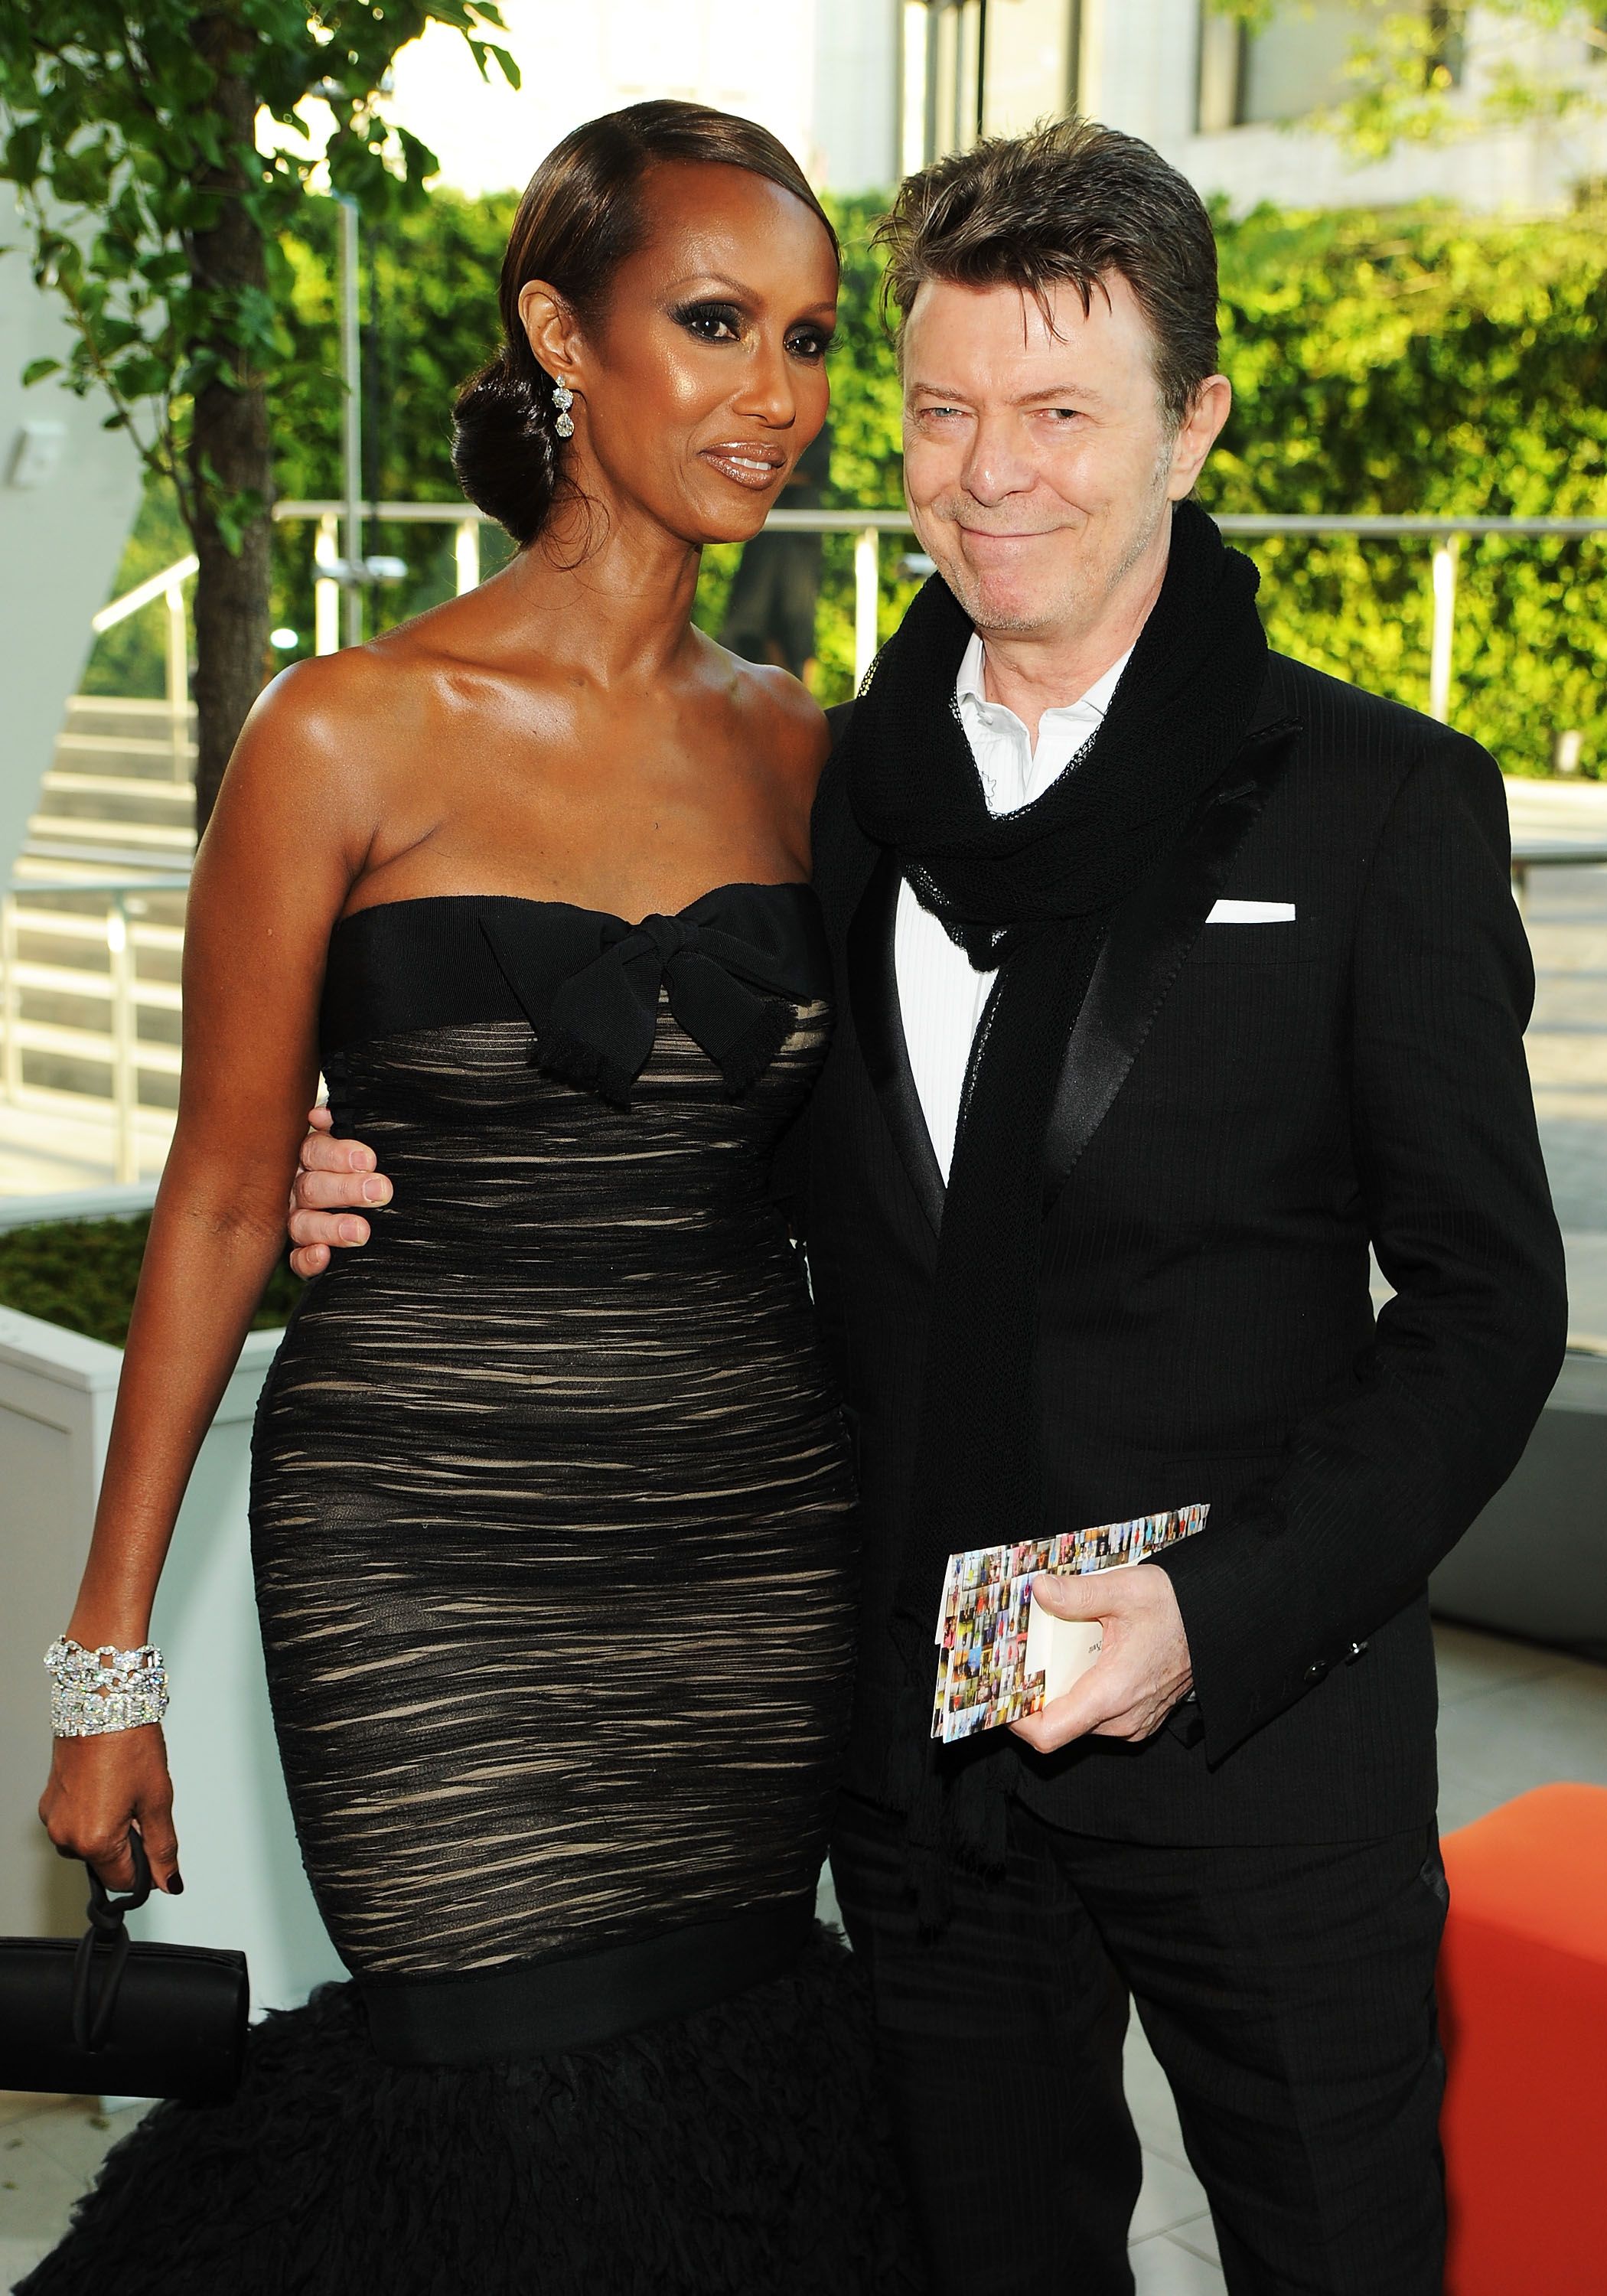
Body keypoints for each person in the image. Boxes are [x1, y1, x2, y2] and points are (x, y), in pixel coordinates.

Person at [293, 120, 1570, 2296]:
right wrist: (406, 1160)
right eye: (945, 409)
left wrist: (1209, 1616)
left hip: (1252, 1746)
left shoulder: (1375, 804)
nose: (994, 474)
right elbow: (742, 1144)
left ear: (1193, 424)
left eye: (1062, 412)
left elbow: (1477, 1311)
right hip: (916, 1748)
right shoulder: (838, 791)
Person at [28, 100, 924, 2296]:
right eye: (712, 323)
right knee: (487, 2086)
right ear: (560, 334)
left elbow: (883, 1176)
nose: (774, 396)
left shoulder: (810, 756)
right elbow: (225, 1202)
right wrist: (100, 1664)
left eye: (807, 341)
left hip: (739, 1526)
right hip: (424, 1540)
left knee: (725, 2077)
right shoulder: (341, 736)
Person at [720, 419, 832, 682]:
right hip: (768, 529)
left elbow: (817, 472)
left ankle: (804, 699)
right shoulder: (762, 425)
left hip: (799, 532)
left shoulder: (817, 426)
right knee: (753, 617)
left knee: (797, 621)